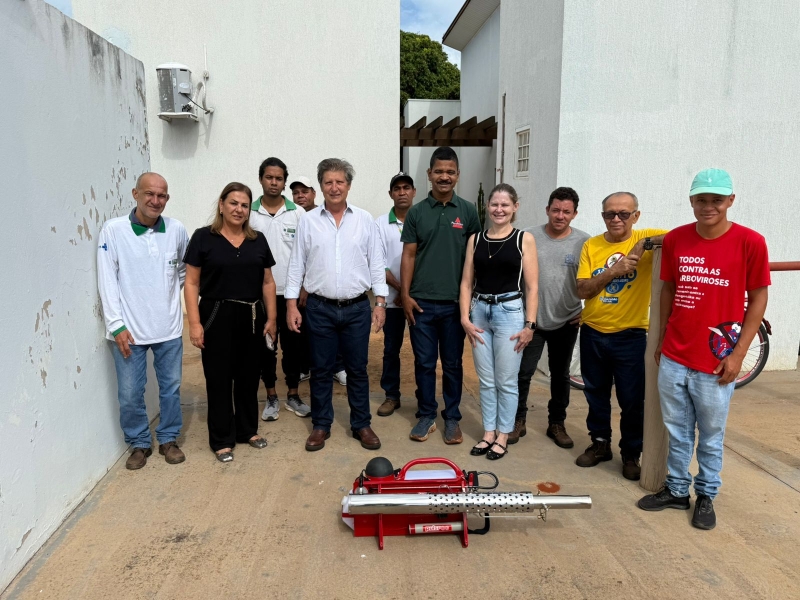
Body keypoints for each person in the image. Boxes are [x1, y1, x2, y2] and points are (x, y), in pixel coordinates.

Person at [638, 169, 769, 530]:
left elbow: (758, 297)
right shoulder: (677, 239)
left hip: (716, 360)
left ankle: (707, 493)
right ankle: (678, 490)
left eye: (716, 199)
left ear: (730, 200)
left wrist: (739, 354)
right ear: (692, 200)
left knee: (711, 434)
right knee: (678, 430)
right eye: (701, 199)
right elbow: (668, 289)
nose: (708, 206)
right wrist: (662, 339)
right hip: (676, 355)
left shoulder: (750, 242)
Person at [285, 159, 388, 452]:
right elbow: (296, 265)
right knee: (321, 369)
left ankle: (361, 424)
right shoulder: (307, 221)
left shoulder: (365, 220)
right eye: (328, 182)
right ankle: (321, 425)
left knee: (357, 369)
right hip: (319, 308)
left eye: (340, 182)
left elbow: (377, 264)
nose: (334, 187)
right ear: (321, 187)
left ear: (349, 185)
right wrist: (292, 305)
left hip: (357, 308)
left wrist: (380, 303)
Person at [97, 172, 189, 470]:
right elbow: (107, 280)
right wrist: (116, 325)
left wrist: (168, 305)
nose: (155, 200)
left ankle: (168, 438)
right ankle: (138, 443)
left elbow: (185, 274)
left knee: (171, 389)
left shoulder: (176, 230)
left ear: (167, 198)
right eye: (149, 194)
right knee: (129, 393)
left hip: (169, 329)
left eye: (161, 195)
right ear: (135, 194)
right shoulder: (114, 230)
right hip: (129, 332)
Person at [575, 192, 668, 480]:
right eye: (609, 214)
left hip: (631, 336)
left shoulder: (648, 237)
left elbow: (687, 235)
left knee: (631, 401)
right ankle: (600, 444)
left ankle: (631, 453)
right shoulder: (592, 245)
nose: (616, 219)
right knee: (596, 395)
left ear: (636, 216)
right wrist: (615, 270)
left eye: (623, 214)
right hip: (593, 332)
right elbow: (583, 290)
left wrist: (644, 243)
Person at [184, 182, 278, 463]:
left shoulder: (257, 240)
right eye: (234, 203)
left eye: (245, 205)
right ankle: (222, 439)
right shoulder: (203, 238)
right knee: (219, 379)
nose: (239, 209)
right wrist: (195, 323)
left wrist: (272, 317)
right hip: (216, 315)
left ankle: (247, 431)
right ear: (222, 205)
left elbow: (268, 282)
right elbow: (191, 283)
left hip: (252, 315)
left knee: (249, 377)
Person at [401, 146, 481, 444]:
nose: (444, 177)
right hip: (421, 303)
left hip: (454, 305)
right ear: (429, 174)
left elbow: (475, 257)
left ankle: (452, 418)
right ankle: (425, 416)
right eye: (439, 171)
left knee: (452, 364)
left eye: (450, 172)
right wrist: (406, 296)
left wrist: (471, 301)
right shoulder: (417, 212)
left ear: (457, 175)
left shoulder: (469, 211)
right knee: (423, 363)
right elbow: (408, 256)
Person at [460, 184, 538, 459]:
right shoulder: (475, 240)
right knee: (486, 379)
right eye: (494, 204)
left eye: (505, 205)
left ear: (515, 207)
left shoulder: (523, 239)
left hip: (510, 313)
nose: (499, 209)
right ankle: (488, 432)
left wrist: (529, 325)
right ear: (487, 206)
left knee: (506, 380)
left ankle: (503, 434)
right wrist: (465, 318)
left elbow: (532, 286)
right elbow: (467, 282)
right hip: (480, 312)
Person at [510, 187, 590, 447]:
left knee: (560, 375)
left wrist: (587, 311)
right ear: (547, 210)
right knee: (523, 373)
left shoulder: (584, 242)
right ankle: (517, 420)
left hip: (567, 320)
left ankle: (557, 423)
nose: (560, 215)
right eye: (555, 209)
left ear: (575, 214)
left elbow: (592, 280)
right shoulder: (528, 237)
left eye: (566, 211)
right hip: (531, 320)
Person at [250, 158, 309, 420]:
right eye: (269, 177)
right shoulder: (248, 214)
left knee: (294, 348)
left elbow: (309, 253)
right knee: (266, 348)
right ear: (261, 179)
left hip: (292, 295)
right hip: (260, 296)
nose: (274, 182)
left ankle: (293, 395)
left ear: (285, 182)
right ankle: (271, 396)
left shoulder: (298, 213)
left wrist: (304, 287)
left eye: (279, 178)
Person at [290, 175, 347, 386]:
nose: (300, 196)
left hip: (321, 288)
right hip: (300, 286)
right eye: (296, 192)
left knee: (335, 326)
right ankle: (307, 366)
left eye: (304, 191)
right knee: (306, 332)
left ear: (314, 193)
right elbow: (299, 257)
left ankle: (338, 366)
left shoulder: (323, 215)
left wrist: (306, 287)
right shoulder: (295, 215)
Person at [375, 172, 416, 417]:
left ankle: (424, 398)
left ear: (413, 191)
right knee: (391, 349)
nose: (402, 192)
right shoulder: (379, 224)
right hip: (391, 301)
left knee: (423, 351)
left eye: (406, 187)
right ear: (391, 193)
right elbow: (378, 263)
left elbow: (425, 258)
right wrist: (402, 290)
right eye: (397, 188)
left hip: (418, 299)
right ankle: (392, 396)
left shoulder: (422, 218)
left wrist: (409, 293)